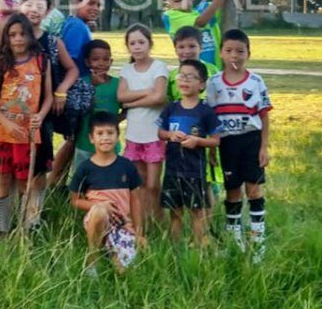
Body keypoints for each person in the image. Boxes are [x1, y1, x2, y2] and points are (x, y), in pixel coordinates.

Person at [0, 14, 52, 238]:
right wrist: (6, 123)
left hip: (28, 133)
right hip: (2, 132)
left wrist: (40, 115)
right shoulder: (1, 63)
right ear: (6, 38)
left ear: (30, 35)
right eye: (12, 35)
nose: (18, 39)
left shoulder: (42, 61)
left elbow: (49, 97)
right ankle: (2, 228)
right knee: (3, 179)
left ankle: (25, 228)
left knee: (25, 181)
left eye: (22, 34)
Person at [207, 29, 273, 255]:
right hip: (227, 143)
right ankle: (234, 239)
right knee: (233, 191)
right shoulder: (214, 83)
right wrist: (213, 147)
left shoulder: (255, 81)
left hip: (250, 140)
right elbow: (212, 118)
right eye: (229, 51)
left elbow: (264, 115)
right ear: (221, 54)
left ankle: (258, 239)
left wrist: (264, 147)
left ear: (248, 54)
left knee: (253, 190)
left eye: (240, 51)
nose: (234, 55)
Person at [18, 0, 80, 229]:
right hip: (15, 111)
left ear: (47, 12)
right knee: (17, 165)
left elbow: (72, 69)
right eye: (29, 4)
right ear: (21, 7)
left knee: (41, 165)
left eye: (40, 6)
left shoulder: (53, 41)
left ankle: (33, 218)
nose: (34, 9)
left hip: (43, 113)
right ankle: (14, 213)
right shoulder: (13, 37)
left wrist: (61, 91)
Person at [70, 111, 145, 274]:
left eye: (110, 133)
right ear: (91, 138)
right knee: (100, 211)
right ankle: (93, 257)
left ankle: (112, 251)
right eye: (100, 133)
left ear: (118, 136)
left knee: (124, 272)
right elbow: (75, 200)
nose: (105, 138)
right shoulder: (85, 168)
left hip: (122, 224)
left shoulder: (126, 166)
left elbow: (136, 200)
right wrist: (98, 204)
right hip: (97, 220)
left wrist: (139, 232)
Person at [158, 59, 221, 247]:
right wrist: (170, 135)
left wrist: (197, 142)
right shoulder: (171, 108)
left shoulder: (206, 111)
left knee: (197, 212)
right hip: (172, 170)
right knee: (175, 212)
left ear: (201, 84)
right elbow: (160, 132)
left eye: (190, 77)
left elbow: (216, 140)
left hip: (195, 171)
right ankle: (175, 249)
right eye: (181, 75)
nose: (184, 80)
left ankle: (199, 248)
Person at [49, 0, 103, 185]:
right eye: (91, 3)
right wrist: (63, 91)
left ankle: (58, 181)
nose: (96, 8)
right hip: (73, 93)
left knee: (74, 140)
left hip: (76, 91)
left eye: (99, 4)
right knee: (73, 140)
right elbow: (68, 63)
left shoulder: (79, 25)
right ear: (76, 2)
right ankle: (55, 181)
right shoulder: (76, 27)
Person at [117, 23, 170, 222]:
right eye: (133, 43)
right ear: (128, 47)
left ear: (150, 44)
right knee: (138, 183)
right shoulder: (127, 70)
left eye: (141, 42)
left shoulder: (159, 67)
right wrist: (148, 91)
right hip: (134, 136)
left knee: (153, 184)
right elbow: (122, 97)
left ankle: (158, 220)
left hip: (154, 135)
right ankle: (143, 221)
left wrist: (133, 103)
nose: (137, 46)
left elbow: (160, 98)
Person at [167, 25, 223, 192]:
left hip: (207, 131)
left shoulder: (212, 71)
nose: (187, 51)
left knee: (207, 178)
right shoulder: (172, 76)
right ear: (175, 49)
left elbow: (218, 103)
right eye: (181, 47)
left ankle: (211, 215)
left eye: (192, 46)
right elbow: (169, 106)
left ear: (200, 47)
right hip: (182, 136)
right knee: (183, 177)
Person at [72, 39, 122, 173]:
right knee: (81, 179)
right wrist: (93, 87)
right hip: (85, 143)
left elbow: (127, 107)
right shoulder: (82, 83)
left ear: (111, 62)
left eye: (106, 59)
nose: (101, 63)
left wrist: (116, 120)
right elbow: (78, 110)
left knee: (110, 179)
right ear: (87, 62)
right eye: (95, 59)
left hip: (111, 144)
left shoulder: (118, 84)